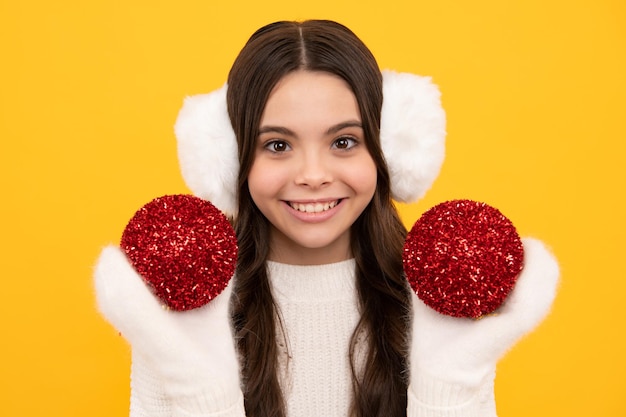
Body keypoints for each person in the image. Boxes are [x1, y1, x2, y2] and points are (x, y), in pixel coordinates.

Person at [94, 20, 559, 417]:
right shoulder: (186, 310)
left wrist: (450, 390)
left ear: (388, 151)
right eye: (277, 145)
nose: (313, 176)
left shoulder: (440, 298)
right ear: (232, 161)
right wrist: (202, 399)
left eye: (343, 142)